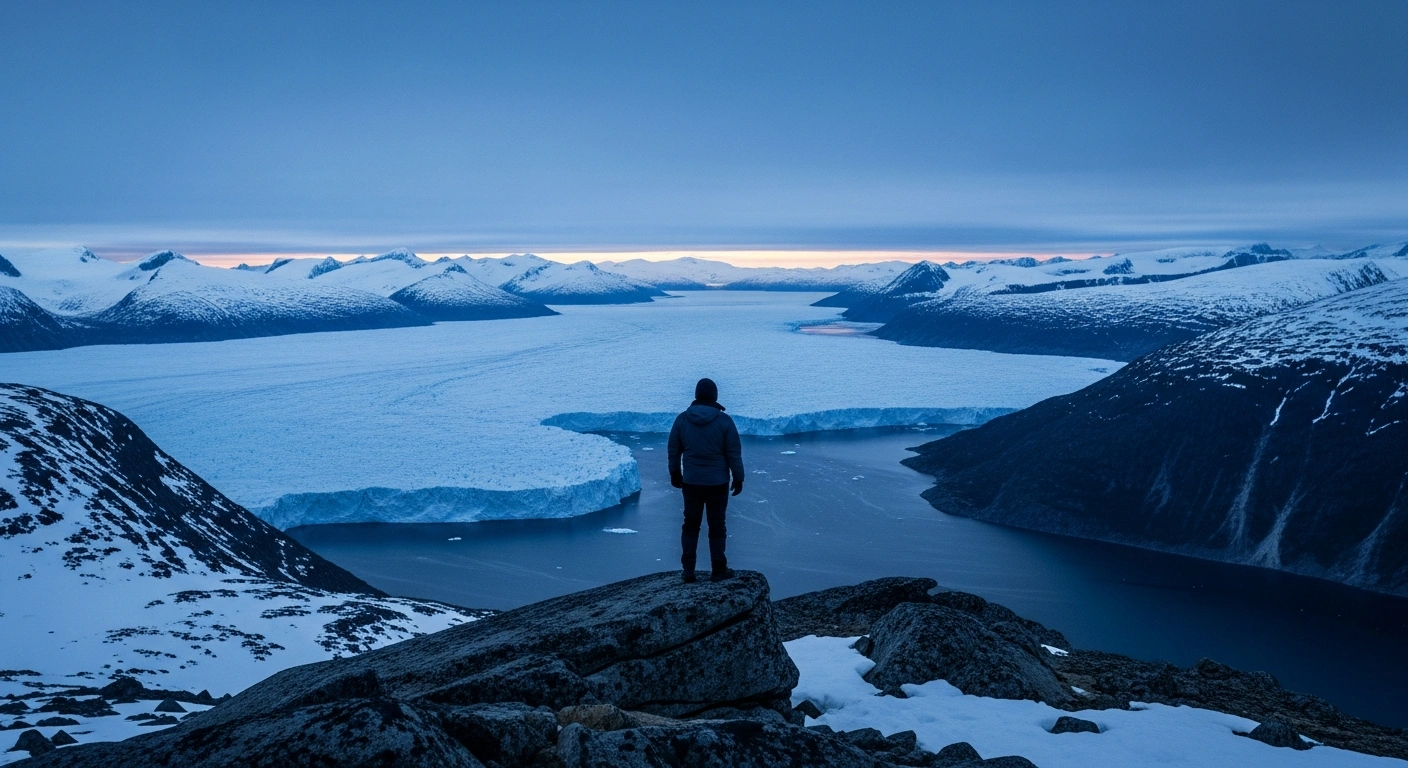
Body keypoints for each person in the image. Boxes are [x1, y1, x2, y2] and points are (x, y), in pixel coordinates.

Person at [667, 377, 744, 583]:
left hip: (691, 482)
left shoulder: (682, 420)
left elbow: (674, 449)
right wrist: (738, 477)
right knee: (717, 525)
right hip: (717, 483)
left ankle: (688, 571)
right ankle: (719, 569)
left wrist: (675, 473)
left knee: (690, 524)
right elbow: (733, 453)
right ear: (714, 396)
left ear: (697, 395)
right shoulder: (724, 421)